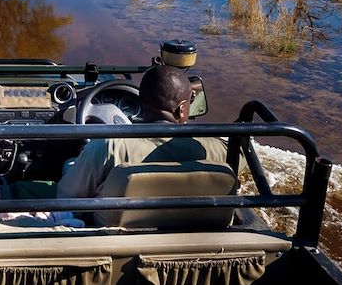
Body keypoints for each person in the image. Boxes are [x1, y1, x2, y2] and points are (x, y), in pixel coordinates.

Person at [56, 64, 233, 199]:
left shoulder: (106, 147)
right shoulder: (216, 149)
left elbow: (66, 196)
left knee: (70, 164)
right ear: (181, 110)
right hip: (194, 232)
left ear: (140, 102)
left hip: (116, 236)